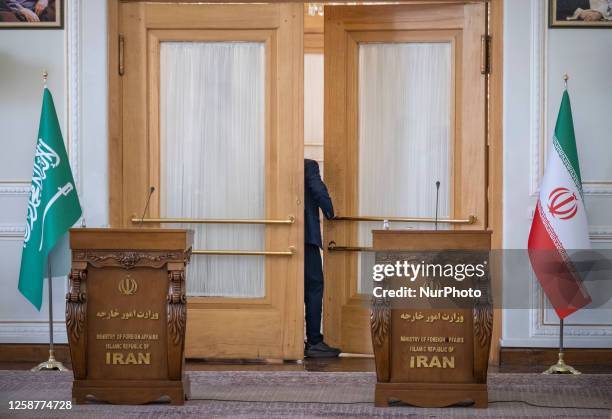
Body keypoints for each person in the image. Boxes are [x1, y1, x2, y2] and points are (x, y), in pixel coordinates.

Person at [304, 159, 341, 358]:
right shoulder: (308, 165)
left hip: (279, 238)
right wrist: (330, 212)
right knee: (314, 287)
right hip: (306, 239)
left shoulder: (275, 165)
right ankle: (314, 341)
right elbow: (318, 190)